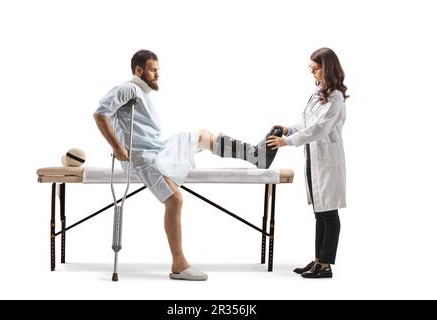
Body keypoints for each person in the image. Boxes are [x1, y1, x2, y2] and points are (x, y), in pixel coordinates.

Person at [93, 49, 282, 281]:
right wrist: (117, 148)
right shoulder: (127, 89)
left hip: (160, 149)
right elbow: (100, 114)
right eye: (153, 70)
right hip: (142, 158)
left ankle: (256, 156)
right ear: (138, 70)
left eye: (158, 70)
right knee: (175, 200)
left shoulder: (141, 93)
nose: (157, 75)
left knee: (202, 136)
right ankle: (179, 264)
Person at [266, 47, 348, 279]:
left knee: (329, 213)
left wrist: (288, 141)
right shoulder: (318, 92)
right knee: (319, 212)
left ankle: (325, 265)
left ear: (326, 67)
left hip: (328, 159)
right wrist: (289, 129)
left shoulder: (336, 97)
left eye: (315, 67)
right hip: (314, 157)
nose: (312, 71)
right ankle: (318, 259)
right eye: (310, 67)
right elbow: (307, 123)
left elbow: (320, 128)